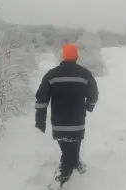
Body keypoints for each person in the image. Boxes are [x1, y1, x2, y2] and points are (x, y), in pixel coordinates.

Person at [34, 43, 99, 182]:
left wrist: (40, 118)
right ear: (76, 56)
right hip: (77, 121)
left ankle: (71, 164)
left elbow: (41, 98)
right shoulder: (85, 73)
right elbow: (93, 94)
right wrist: (89, 106)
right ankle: (66, 170)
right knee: (74, 143)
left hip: (58, 122)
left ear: (63, 56)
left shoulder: (51, 75)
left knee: (65, 143)